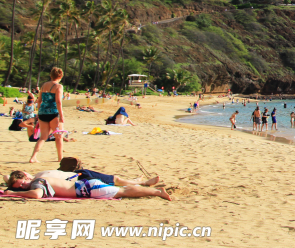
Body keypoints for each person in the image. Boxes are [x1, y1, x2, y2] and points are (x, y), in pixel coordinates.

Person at [4, 169, 171, 200]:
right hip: (85, 187)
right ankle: (155, 191)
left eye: (22, 183)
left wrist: (12, 194)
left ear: (26, 177)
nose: (23, 187)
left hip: (86, 189)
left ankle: (157, 192)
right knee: (122, 189)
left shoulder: (37, 182)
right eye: (19, 187)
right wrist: (12, 188)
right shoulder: (36, 181)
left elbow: (37, 195)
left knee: (123, 191)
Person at [29, 68, 64, 164]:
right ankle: (60, 158)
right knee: (59, 136)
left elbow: (39, 100)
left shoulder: (44, 85)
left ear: (51, 75)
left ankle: (33, 157)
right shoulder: (58, 86)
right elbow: (58, 101)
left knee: (43, 137)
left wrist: (39, 112)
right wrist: (61, 115)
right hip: (53, 113)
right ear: (60, 77)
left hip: (42, 112)